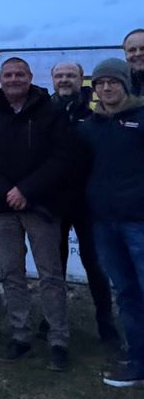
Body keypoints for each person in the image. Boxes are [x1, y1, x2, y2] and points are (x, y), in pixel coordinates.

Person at [0, 57, 71, 371]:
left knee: (50, 275)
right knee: (11, 274)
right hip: (2, 208)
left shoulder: (50, 111)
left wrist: (27, 189)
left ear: (30, 76)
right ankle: (20, 335)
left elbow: (62, 157)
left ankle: (58, 339)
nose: (14, 79)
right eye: (8, 74)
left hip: (41, 206)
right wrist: (6, 190)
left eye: (20, 74)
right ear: (0, 78)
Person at [78, 59, 144, 387]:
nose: (106, 88)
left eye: (113, 82)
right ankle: (137, 357)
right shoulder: (90, 126)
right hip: (104, 222)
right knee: (127, 292)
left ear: (125, 84)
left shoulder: (141, 118)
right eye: (101, 83)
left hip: (138, 221)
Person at [48, 61, 118, 343]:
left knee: (95, 265)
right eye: (59, 75)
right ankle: (52, 320)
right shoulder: (44, 112)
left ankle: (105, 323)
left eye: (71, 75)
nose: (65, 80)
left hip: (89, 204)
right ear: (52, 79)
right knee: (54, 267)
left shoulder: (97, 113)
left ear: (82, 79)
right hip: (53, 203)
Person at [122, 29, 144, 96]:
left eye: (143, 49)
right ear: (125, 55)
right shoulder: (120, 85)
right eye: (132, 50)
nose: (138, 54)